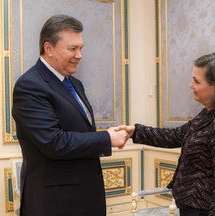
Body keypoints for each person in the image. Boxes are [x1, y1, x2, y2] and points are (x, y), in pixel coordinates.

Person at [12, 14, 129, 216]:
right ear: (48, 48)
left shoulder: (75, 84)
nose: (79, 55)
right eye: (72, 48)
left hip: (84, 197)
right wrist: (106, 138)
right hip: (54, 203)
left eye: (81, 48)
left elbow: (78, 131)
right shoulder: (30, 85)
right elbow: (54, 142)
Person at [118, 53, 215, 216]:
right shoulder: (209, 114)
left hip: (204, 211)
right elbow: (175, 135)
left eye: (196, 81)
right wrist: (135, 131)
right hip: (191, 207)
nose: (190, 85)